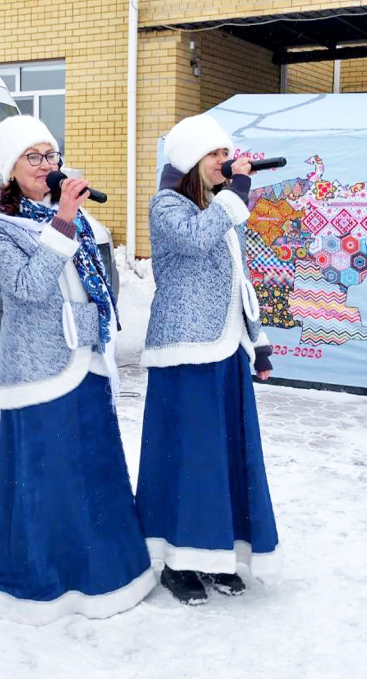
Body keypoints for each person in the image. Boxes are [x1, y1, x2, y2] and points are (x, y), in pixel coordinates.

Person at [0, 115, 156, 624]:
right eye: (35, 157)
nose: (48, 166)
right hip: (38, 370)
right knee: (48, 475)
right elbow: (28, 289)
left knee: (95, 469)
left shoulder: (77, 220)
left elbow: (95, 284)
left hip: (89, 360)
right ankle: (44, 574)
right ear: (9, 170)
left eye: (52, 155)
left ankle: (106, 571)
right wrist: (63, 223)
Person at [137, 113, 280, 606]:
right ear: (193, 161)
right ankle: (179, 561)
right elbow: (196, 239)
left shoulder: (221, 209)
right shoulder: (166, 205)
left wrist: (257, 341)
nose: (226, 160)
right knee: (190, 456)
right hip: (185, 353)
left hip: (226, 349)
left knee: (225, 456)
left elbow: (239, 280)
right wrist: (236, 189)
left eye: (228, 153)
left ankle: (220, 555)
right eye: (218, 154)